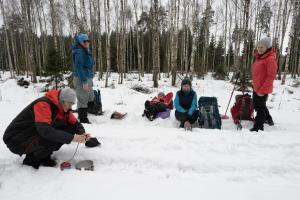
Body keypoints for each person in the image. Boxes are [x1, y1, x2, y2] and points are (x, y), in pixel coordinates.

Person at [3, 88, 93, 169]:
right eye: (69, 104)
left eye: (72, 104)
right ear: (62, 101)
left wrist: (82, 133)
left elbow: (75, 123)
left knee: (69, 129)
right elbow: (45, 131)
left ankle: (44, 155)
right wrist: (73, 138)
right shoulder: (43, 104)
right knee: (50, 135)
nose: (71, 107)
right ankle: (32, 160)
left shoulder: (63, 108)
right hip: (16, 139)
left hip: (32, 134)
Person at [250, 37, 277, 132]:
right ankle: (268, 119)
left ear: (267, 47)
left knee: (259, 108)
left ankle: (258, 127)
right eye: (258, 47)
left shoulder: (270, 59)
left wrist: (262, 90)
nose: (260, 49)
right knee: (260, 105)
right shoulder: (260, 58)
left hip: (262, 88)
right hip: (256, 87)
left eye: (262, 47)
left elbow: (271, 76)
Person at [72, 33, 95, 123]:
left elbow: (90, 63)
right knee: (82, 98)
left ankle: (90, 110)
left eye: (87, 41)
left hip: (87, 76)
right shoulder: (79, 51)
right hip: (81, 78)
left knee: (90, 95)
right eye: (84, 41)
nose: (86, 42)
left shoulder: (85, 50)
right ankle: (83, 119)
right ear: (80, 42)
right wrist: (84, 81)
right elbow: (79, 67)